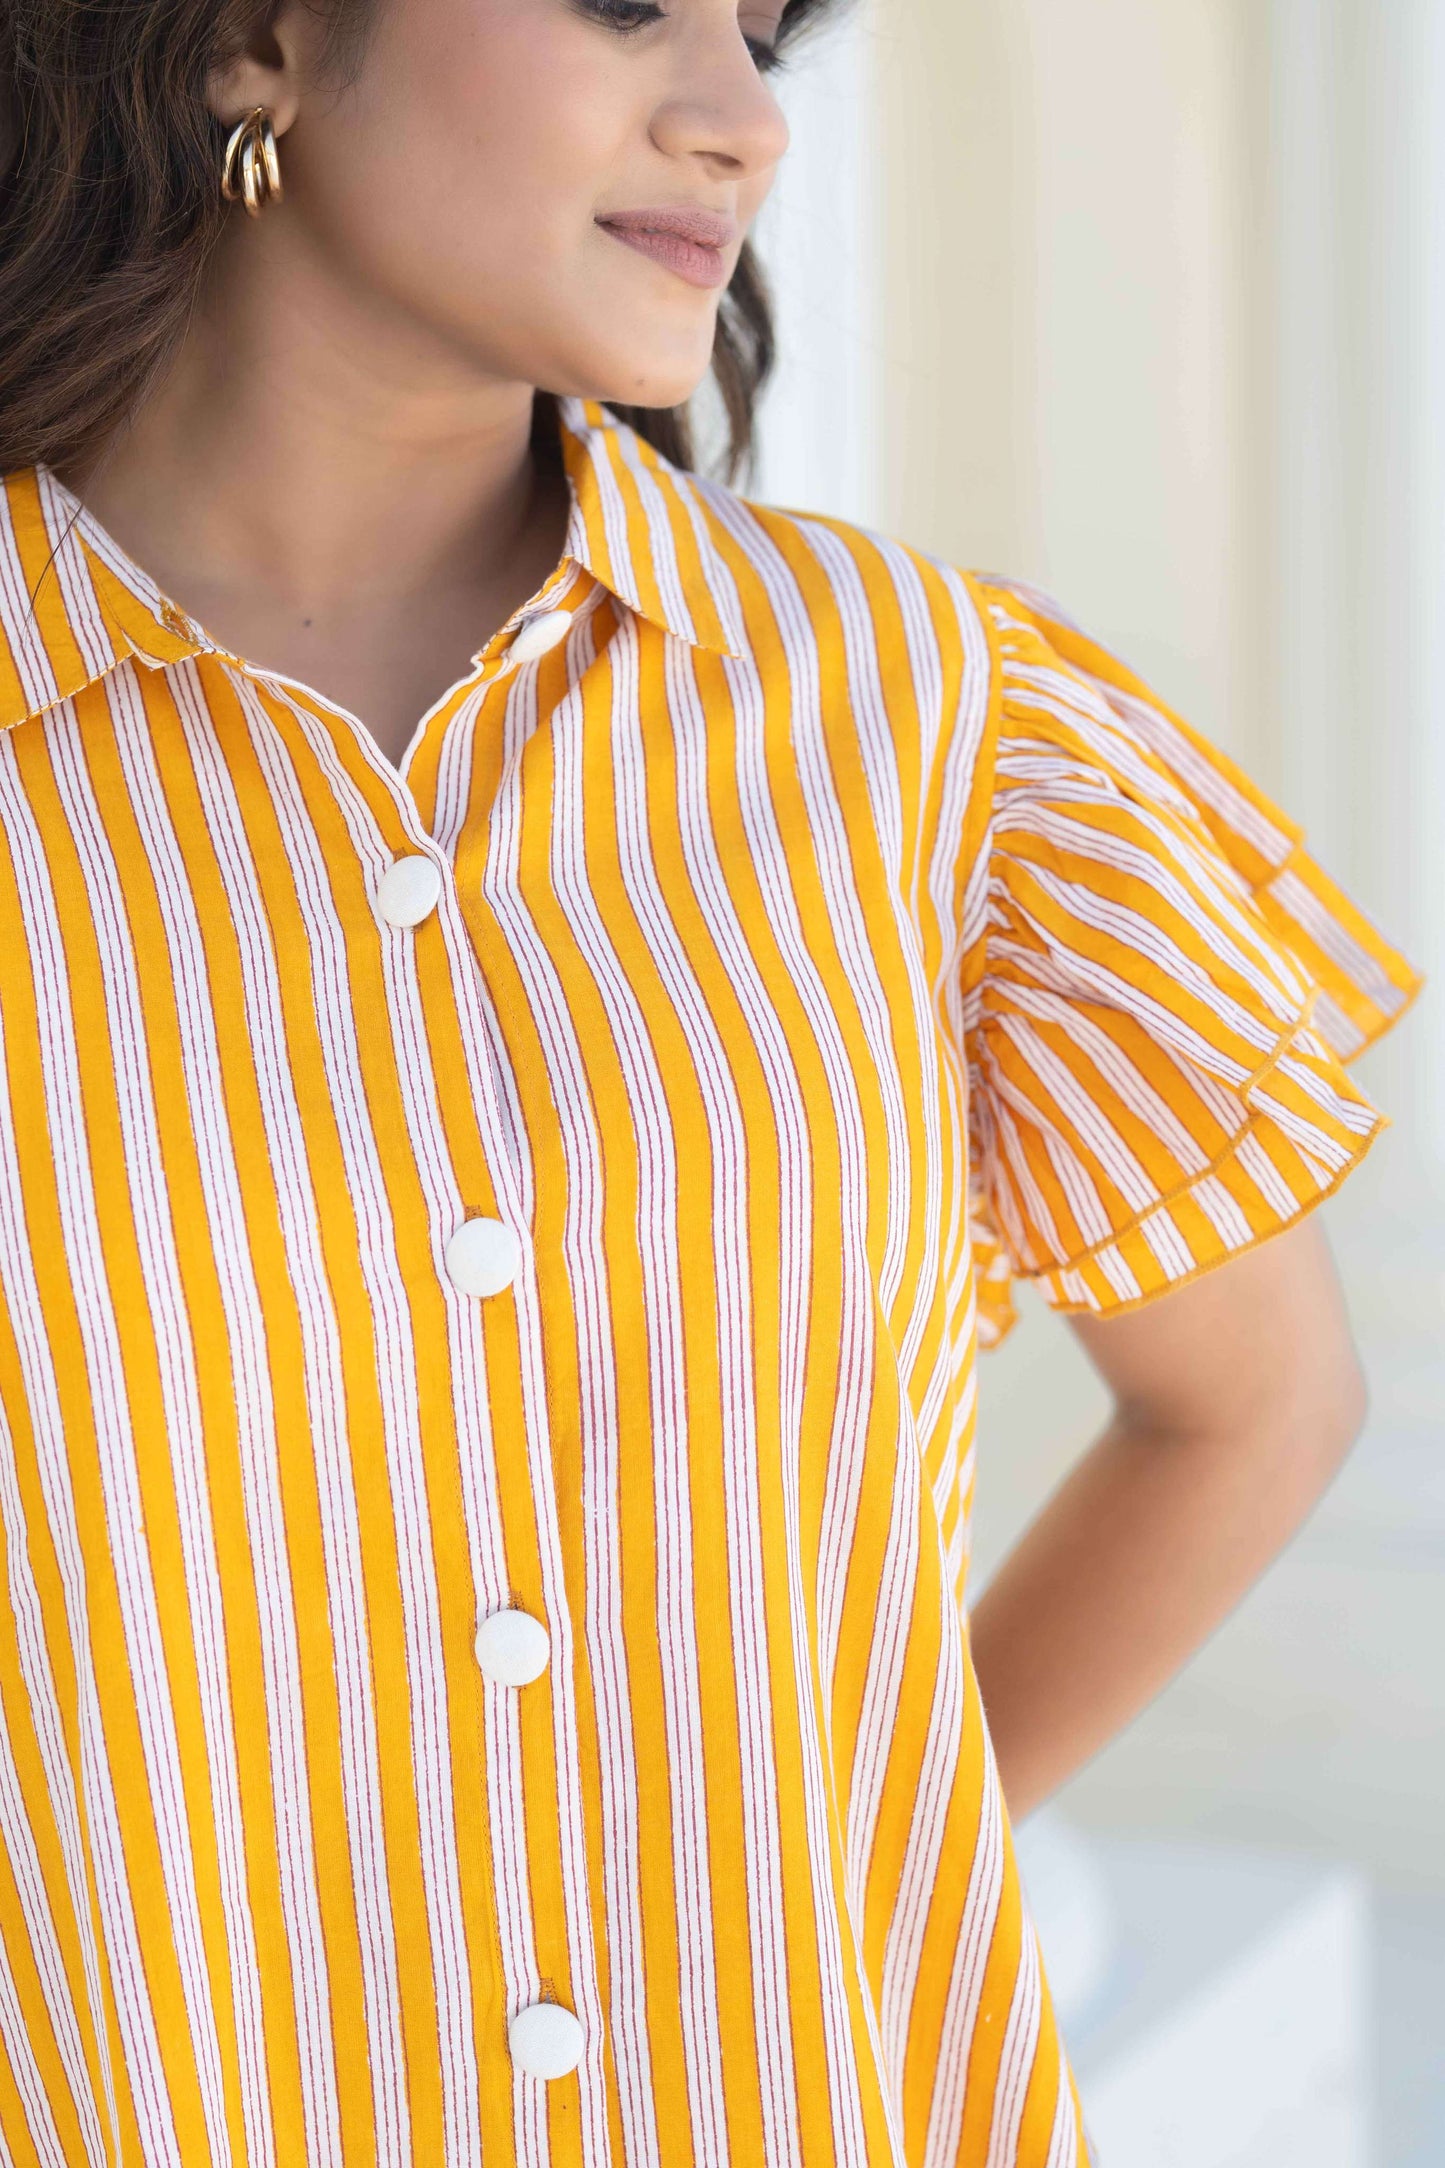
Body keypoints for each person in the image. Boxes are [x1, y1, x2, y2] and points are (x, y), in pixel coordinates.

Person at [0, 3, 1418, 2164]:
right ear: (258, 42)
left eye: (763, 31)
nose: (744, 120)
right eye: (628, 4)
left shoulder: (930, 724)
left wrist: (827, 1881)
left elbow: (1256, 1397)